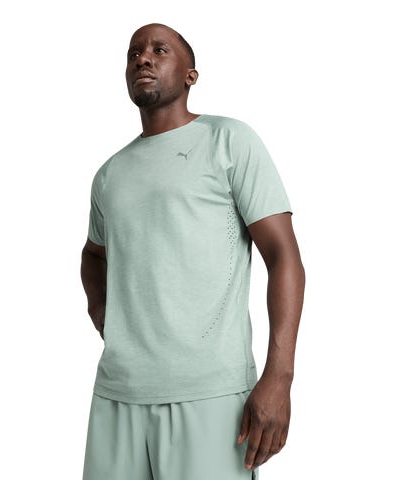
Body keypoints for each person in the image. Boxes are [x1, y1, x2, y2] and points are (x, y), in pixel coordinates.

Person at [80, 22, 305, 480]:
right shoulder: (109, 174)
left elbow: (284, 257)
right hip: (117, 392)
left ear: (191, 76)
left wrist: (279, 376)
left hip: (210, 393)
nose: (143, 58)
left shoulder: (229, 141)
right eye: (134, 53)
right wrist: (102, 310)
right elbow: (93, 254)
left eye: (159, 50)